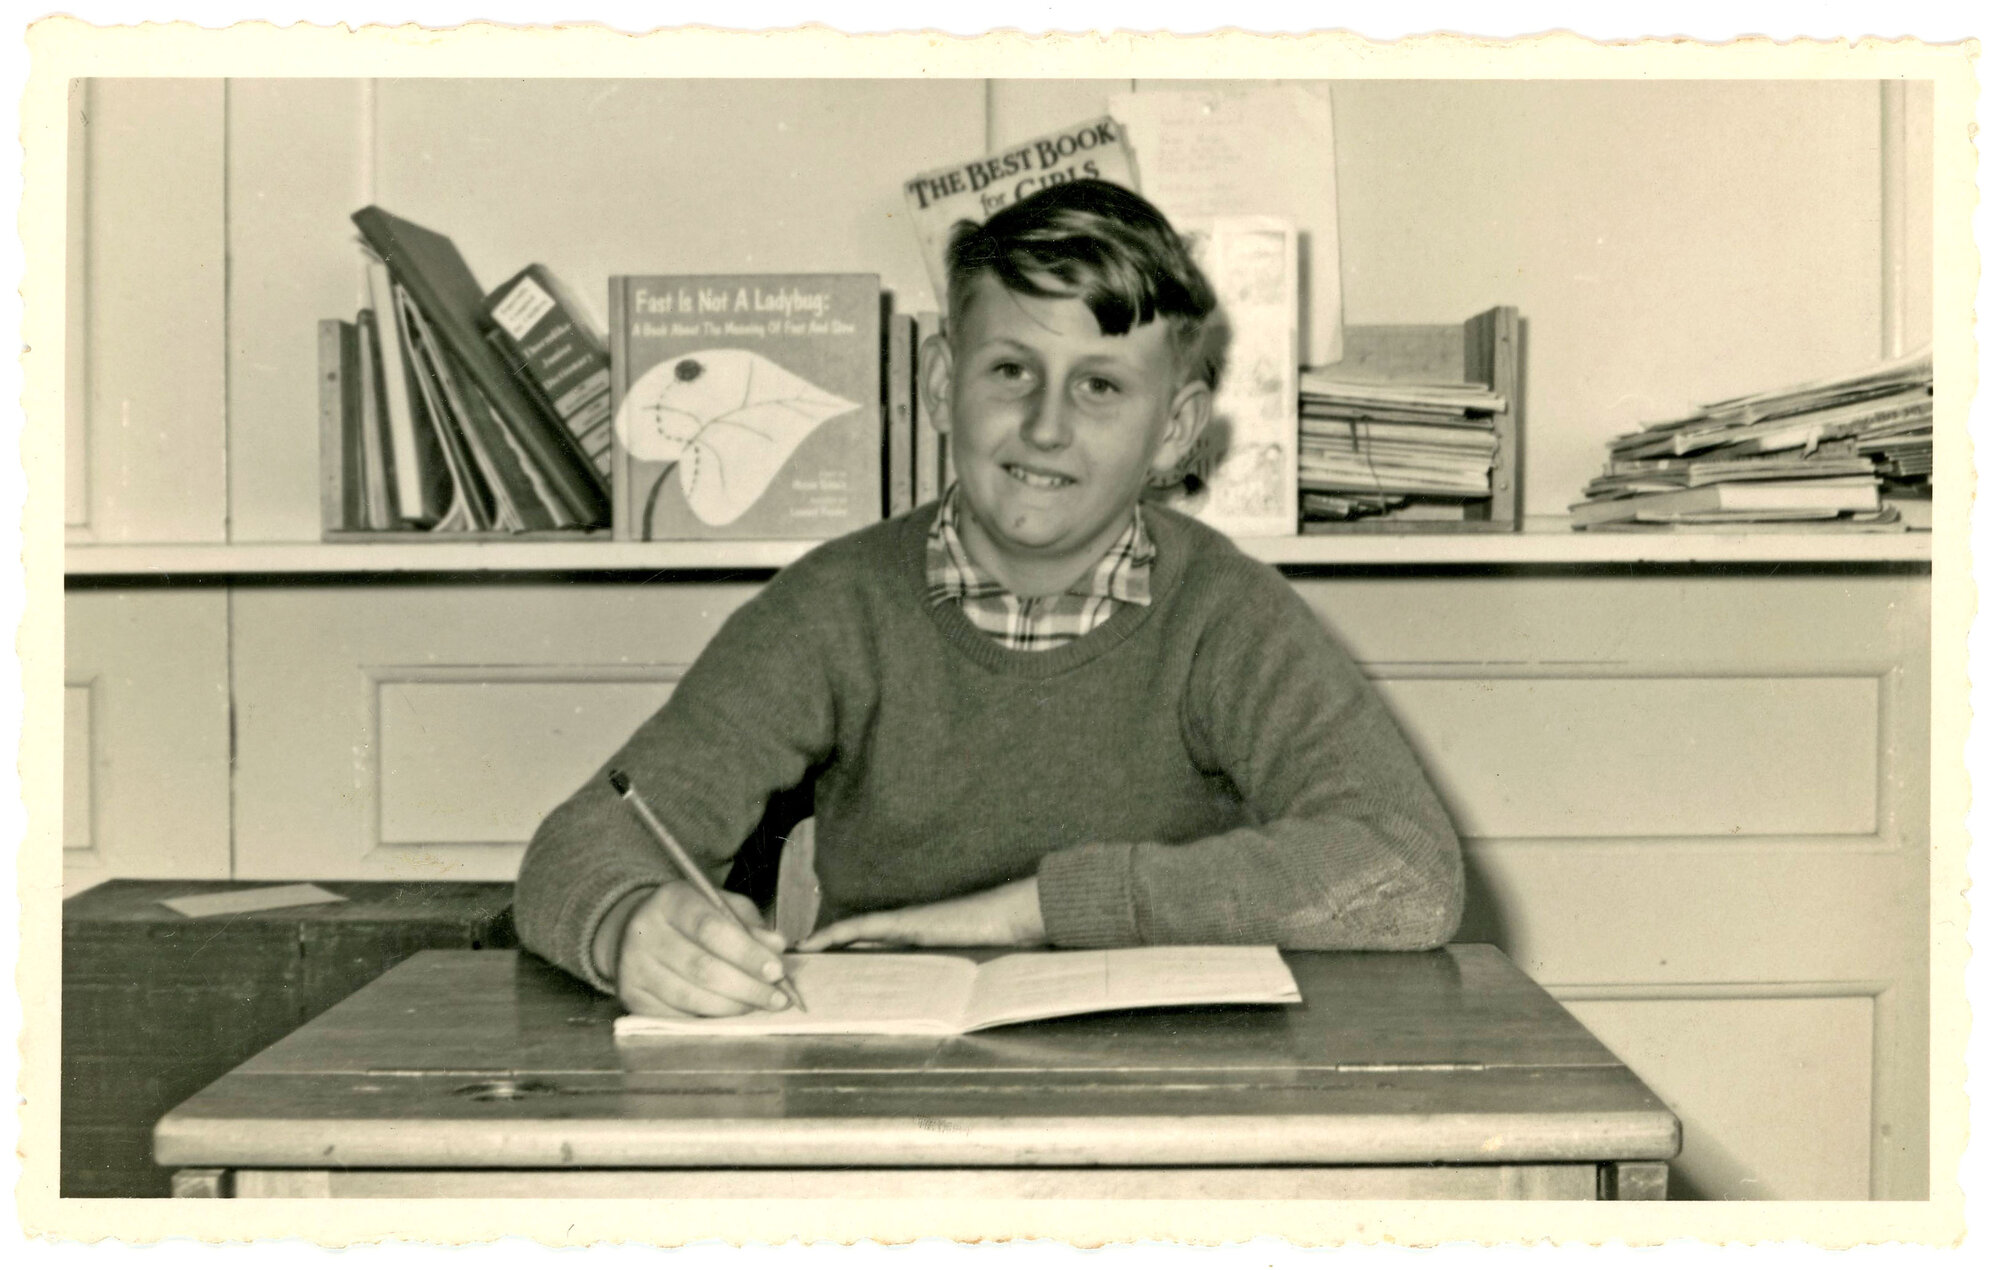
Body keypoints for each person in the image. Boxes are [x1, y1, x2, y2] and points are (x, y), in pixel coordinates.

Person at [514, 179, 1463, 1018]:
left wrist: (1036, 911)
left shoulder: (1227, 615)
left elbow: (1406, 875)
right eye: (1011, 371)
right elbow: (582, 844)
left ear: (1174, 431)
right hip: (886, 1103)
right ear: (941, 384)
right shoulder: (832, 606)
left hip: (1169, 1094)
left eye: (1098, 385)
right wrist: (632, 926)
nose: (1045, 426)